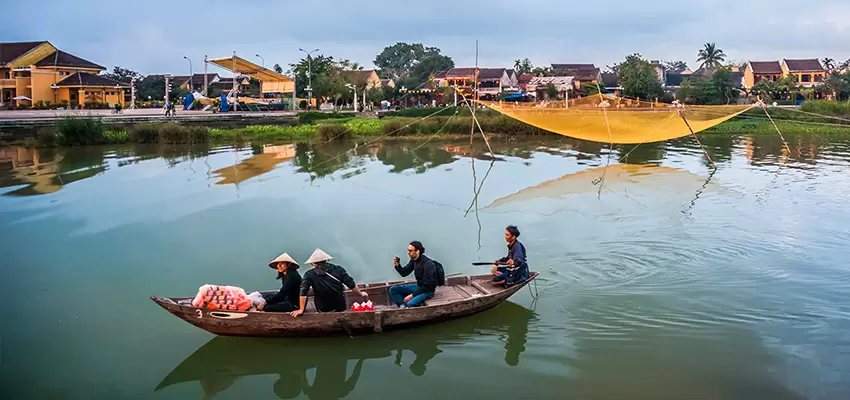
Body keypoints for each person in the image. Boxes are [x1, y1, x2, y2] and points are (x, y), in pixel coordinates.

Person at [290, 249, 368, 317]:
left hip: (323, 309)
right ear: (327, 260)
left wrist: (301, 309)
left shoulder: (309, 274)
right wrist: (360, 294)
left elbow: (303, 291)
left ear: (314, 263)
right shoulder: (339, 269)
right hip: (340, 307)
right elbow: (351, 284)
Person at [389, 241, 438, 308]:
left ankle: (409, 305)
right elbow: (404, 273)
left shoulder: (428, 264)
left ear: (417, 251)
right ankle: (403, 305)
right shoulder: (414, 260)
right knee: (393, 289)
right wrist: (398, 266)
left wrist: (412, 295)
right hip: (418, 287)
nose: (408, 253)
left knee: (410, 304)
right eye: (408, 250)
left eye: (410, 251)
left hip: (427, 291)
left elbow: (427, 286)